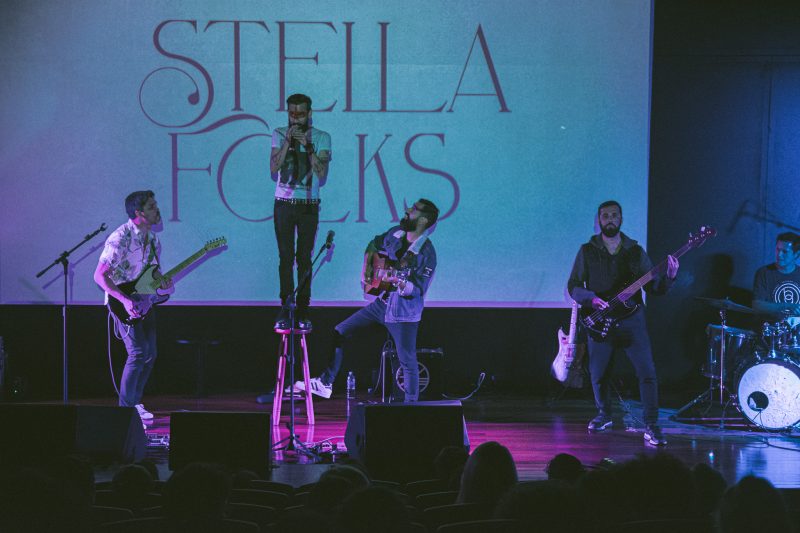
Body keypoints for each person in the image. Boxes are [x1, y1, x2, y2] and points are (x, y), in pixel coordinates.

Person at [295, 199, 439, 401]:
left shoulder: (426, 253)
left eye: (413, 210)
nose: (407, 210)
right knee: (340, 331)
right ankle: (326, 383)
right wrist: (368, 268)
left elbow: (417, 290)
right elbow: (374, 243)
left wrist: (398, 281)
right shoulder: (396, 233)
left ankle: (411, 407)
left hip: (404, 314)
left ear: (423, 220)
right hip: (382, 305)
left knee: (407, 360)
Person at [567, 200, 678, 446]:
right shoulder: (587, 250)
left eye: (614, 215)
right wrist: (592, 299)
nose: (610, 219)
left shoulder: (635, 252)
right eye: (605, 215)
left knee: (647, 372)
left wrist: (669, 277)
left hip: (632, 320)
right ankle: (604, 414)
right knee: (598, 374)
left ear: (621, 219)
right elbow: (573, 285)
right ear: (599, 221)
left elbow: (654, 287)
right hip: (599, 318)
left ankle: (651, 424)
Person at [94, 190, 171, 422]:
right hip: (123, 303)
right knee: (137, 353)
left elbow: (150, 272)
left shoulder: (153, 239)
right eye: (151, 206)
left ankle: (135, 402)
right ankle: (126, 409)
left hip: (144, 300)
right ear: (138, 213)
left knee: (150, 355)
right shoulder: (121, 238)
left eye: (155, 205)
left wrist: (162, 280)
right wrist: (126, 301)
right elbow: (100, 276)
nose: (157, 210)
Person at [270, 93, 332, 330]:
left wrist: (307, 146)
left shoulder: (322, 137)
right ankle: (286, 307)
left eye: (301, 114)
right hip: (284, 204)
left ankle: (304, 308)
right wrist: (287, 141)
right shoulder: (277, 133)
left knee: (304, 258)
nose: (296, 118)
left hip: (308, 205)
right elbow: (274, 168)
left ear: (310, 113)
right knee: (285, 258)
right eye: (291, 113)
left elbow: (321, 172)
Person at [752, 232, 800, 316]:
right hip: (770, 326)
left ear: (796, 254)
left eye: (785, 251)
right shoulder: (764, 272)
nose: (779, 255)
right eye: (778, 249)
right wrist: (787, 305)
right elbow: (757, 305)